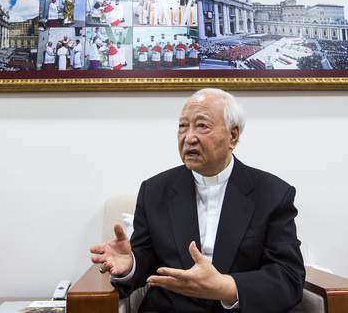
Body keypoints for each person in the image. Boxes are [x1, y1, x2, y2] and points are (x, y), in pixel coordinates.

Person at [90, 88, 305, 313]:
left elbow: (288, 276)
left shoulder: (273, 194)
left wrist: (225, 287)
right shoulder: (154, 190)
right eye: (183, 126)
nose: (189, 137)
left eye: (202, 126)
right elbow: (148, 259)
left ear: (233, 136)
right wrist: (131, 265)